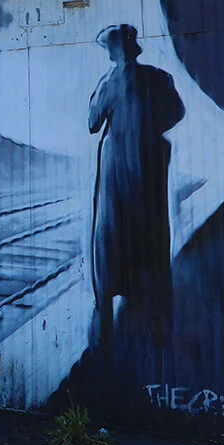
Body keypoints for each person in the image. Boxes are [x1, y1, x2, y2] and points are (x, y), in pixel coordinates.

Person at [88, 24, 184, 364]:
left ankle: (108, 307)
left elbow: (92, 122)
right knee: (151, 231)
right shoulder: (159, 78)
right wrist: (149, 129)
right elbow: (177, 112)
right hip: (150, 167)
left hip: (118, 170)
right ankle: (154, 308)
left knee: (113, 233)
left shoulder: (111, 83)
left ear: (115, 51)